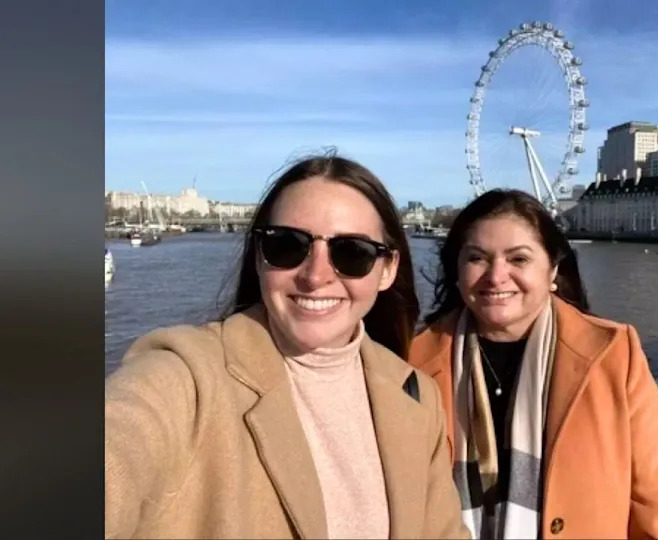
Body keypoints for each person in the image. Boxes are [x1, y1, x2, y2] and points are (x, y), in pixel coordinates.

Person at [105, 154, 469, 539]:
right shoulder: (184, 380)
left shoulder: (416, 395)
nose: (316, 276)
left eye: (352, 253)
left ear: (388, 269)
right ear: (259, 259)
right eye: (287, 246)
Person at [408, 189, 658, 539]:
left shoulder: (614, 355)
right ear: (457, 270)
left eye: (519, 259)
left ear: (552, 270)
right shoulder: (412, 365)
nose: (496, 276)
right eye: (477, 258)